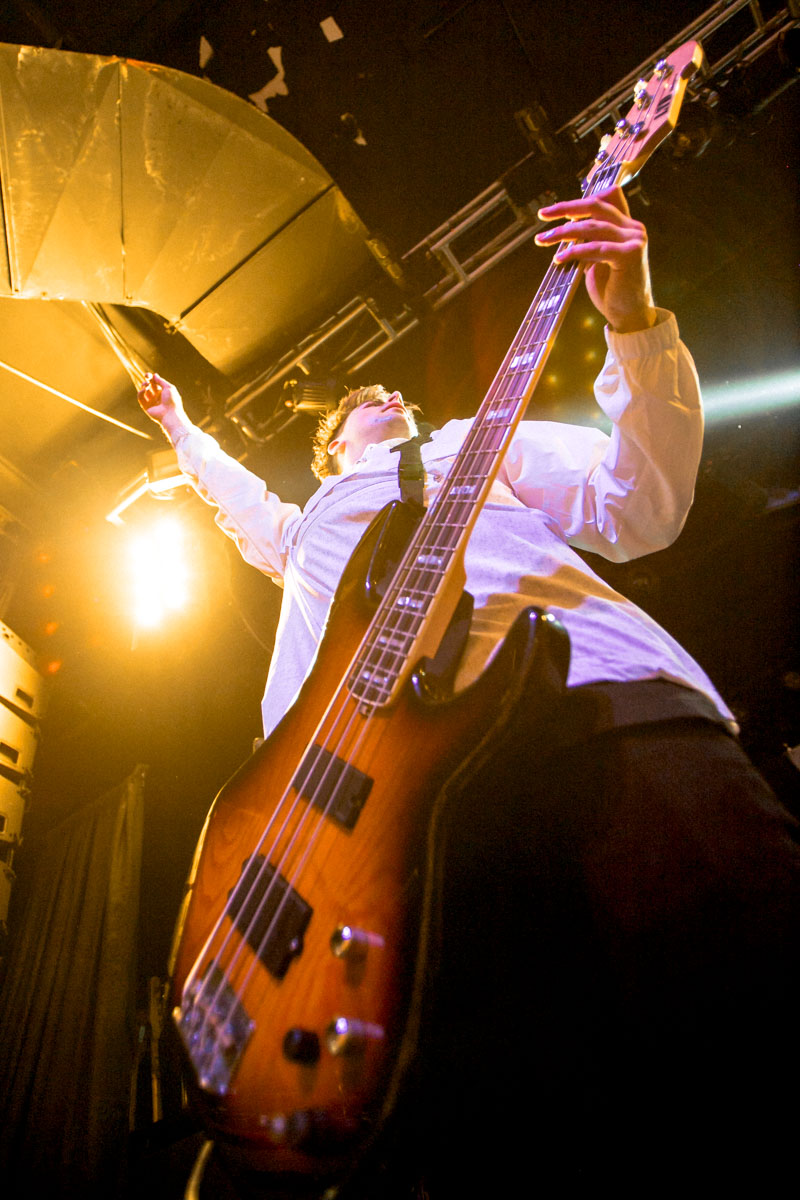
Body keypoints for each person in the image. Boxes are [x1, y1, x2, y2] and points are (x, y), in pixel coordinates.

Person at [138, 188, 799, 1195]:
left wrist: (630, 319)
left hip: (588, 715)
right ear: (333, 447)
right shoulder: (308, 524)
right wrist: (186, 435)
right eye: (368, 404)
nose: (390, 400)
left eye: (397, 396)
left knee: (742, 1006)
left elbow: (638, 500)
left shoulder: (464, 444)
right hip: (373, 834)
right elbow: (245, 505)